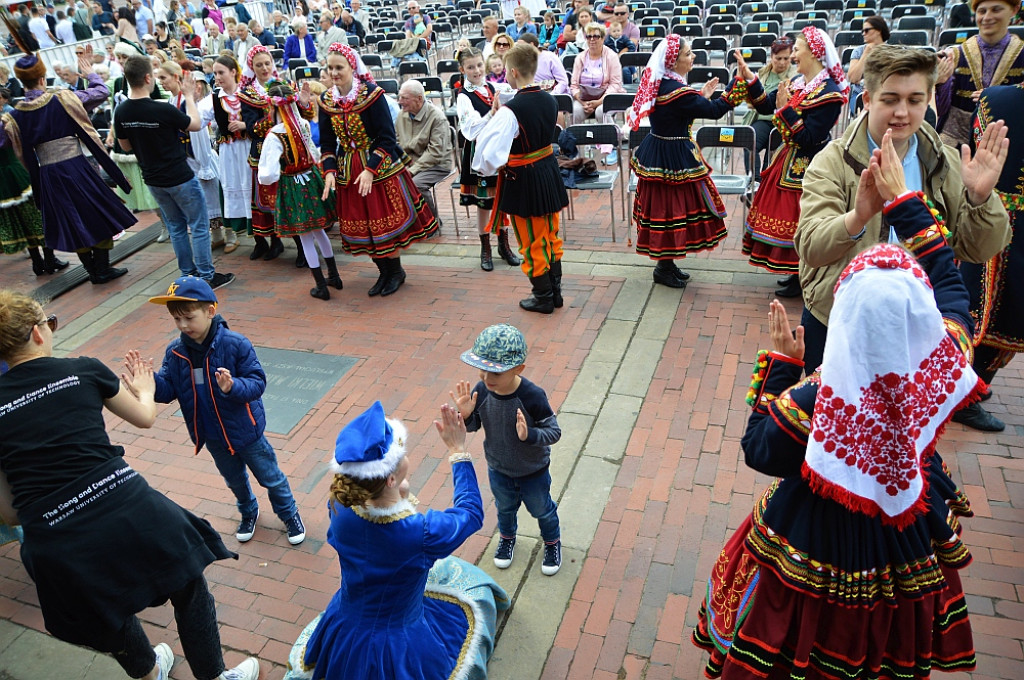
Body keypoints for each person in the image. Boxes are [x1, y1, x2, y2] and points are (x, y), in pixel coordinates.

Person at [692, 133, 982, 679]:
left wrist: (780, 366)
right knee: (888, 638)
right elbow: (951, 287)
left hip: (815, 537)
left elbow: (761, 449)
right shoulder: (939, 362)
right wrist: (906, 204)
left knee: (804, 634)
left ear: (842, 319)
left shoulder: (818, 397)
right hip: (904, 527)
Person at [0, 290, 260, 680]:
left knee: (101, 607)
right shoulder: (84, 369)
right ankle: (214, 675)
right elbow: (144, 416)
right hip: (127, 508)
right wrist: (146, 387)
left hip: (55, 537)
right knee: (188, 585)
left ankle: (149, 671)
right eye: (49, 323)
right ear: (38, 333)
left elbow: (10, 511)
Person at [796, 45, 1011, 380]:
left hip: (915, 322)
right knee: (833, 422)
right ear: (867, 100)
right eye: (890, 99)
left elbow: (977, 249)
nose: (902, 112)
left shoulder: (944, 162)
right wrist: (858, 218)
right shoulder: (833, 161)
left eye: (914, 100)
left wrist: (981, 199)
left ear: (928, 100)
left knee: (900, 425)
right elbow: (810, 246)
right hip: (838, 318)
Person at [282, 401, 508, 680]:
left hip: (345, 623)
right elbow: (471, 513)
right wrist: (457, 451)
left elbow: (376, 526)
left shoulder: (340, 504)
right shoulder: (418, 534)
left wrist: (398, 494)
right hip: (395, 643)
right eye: (401, 453)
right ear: (389, 479)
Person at [136, 275, 306, 546]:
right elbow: (169, 390)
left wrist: (232, 386)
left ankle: (289, 514)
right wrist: (147, 383)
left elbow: (257, 382)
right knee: (234, 480)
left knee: (271, 478)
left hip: (246, 432)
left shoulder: (235, 344)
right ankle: (249, 511)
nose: (182, 325)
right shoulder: (175, 352)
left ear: (210, 311)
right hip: (212, 435)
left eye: (189, 317)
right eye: (176, 319)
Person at [627, 35, 751, 289]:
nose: (693, 57)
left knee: (667, 209)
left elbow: (680, 112)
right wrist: (738, 84)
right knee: (670, 210)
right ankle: (663, 268)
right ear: (673, 61)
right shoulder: (677, 91)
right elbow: (715, 111)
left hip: (661, 149)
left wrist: (699, 97)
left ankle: (667, 264)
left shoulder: (664, 82)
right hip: (672, 156)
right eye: (688, 54)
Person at [319, 44, 439, 297]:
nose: (334, 72)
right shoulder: (327, 100)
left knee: (382, 222)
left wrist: (370, 170)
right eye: (330, 68)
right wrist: (329, 171)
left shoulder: (372, 95)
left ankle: (395, 272)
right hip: (349, 170)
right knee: (364, 224)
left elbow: (386, 137)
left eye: (339, 67)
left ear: (352, 67)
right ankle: (383, 272)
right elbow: (328, 144)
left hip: (378, 168)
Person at [7, 51, 136, 284]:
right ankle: (102, 269)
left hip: (48, 174)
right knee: (98, 212)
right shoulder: (62, 99)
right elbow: (101, 92)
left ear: (21, 83)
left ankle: (93, 271)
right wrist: (91, 74)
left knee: (71, 220)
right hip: (77, 167)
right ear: (42, 79)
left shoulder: (15, 116)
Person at [738, 27, 848, 298]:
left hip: (810, 166)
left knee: (802, 219)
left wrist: (786, 109)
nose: (794, 55)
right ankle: (795, 273)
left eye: (798, 50)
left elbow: (810, 137)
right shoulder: (801, 83)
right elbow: (767, 108)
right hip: (789, 160)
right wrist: (751, 79)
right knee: (790, 218)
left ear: (814, 53)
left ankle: (803, 274)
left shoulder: (829, 93)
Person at [453, 323, 563, 574]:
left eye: (495, 373)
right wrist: (468, 416)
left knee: (542, 509)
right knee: (504, 508)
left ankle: (552, 541)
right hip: (499, 468)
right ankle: (507, 537)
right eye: (482, 370)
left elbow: (554, 431)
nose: (486, 378)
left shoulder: (533, 395)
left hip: (533, 470)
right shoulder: (482, 390)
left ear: (518, 369)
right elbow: (474, 427)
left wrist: (530, 434)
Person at [116, 55, 232, 289]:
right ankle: (207, 275)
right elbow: (196, 124)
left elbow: (125, 146)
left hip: (153, 178)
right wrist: (189, 96)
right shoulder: (161, 109)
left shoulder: (122, 111)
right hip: (179, 176)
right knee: (198, 225)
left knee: (176, 227)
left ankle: (187, 273)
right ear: (148, 78)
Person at [473, 44, 570, 313]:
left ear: (513, 72)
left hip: (525, 179)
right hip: (548, 172)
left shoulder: (511, 110)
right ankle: (555, 291)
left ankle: (543, 296)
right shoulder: (551, 99)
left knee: (530, 239)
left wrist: (489, 168)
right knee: (550, 235)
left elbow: (489, 155)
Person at [956, 83, 1023, 432]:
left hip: (991, 219)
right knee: (987, 319)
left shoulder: (996, 98)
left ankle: (972, 387)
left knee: (999, 321)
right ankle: (964, 396)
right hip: (995, 225)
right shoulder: (998, 100)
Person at [257, 81, 339, 300]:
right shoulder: (302, 124)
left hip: (292, 185)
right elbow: (313, 153)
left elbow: (267, 174)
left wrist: (278, 174)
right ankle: (334, 275)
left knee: (304, 237)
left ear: (272, 107)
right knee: (320, 231)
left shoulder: (275, 134)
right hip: (311, 180)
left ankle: (321, 285)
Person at [240, 45, 314, 265]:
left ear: (272, 64)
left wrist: (303, 102)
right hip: (264, 153)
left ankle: (302, 247)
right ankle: (274, 242)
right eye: (258, 64)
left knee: (290, 200)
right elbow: (252, 129)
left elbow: (305, 115)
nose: (264, 68)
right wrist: (271, 115)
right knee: (266, 202)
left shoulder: (287, 85)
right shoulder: (248, 94)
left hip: (289, 154)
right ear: (251, 67)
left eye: (267, 63)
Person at [455, 47, 521, 271]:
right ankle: (485, 247)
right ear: (462, 69)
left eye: (479, 65)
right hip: (480, 153)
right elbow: (470, 129)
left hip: (499, 149)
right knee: (484, 203)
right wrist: (493, 114)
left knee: (502, 197)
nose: (476, 70)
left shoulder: (493, 87)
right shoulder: (464, 97)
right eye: (471, 67)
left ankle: (504, 244)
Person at [158, 64, 228, 252]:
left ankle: (230, 235)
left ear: (175, 77)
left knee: (215, 196)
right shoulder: (173, 101)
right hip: (187, 158)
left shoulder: (187, 103)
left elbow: (199, 134)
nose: (161, 83)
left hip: (199, 157)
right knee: (204, 200)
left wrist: (204, 164)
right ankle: (217, 237)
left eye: (163, 78)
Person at [936, 0, 1024, 147]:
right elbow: (941, 110)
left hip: (1008, 140)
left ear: (1014, 10)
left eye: (996, 10)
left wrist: (995, 96)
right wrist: (940, 81)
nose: (987, 17)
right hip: (956, 142)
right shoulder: (955, 55)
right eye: (982, 11)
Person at [0, 110, 64, 276]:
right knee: (37, 214)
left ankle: (38, 262)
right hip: (17, 173)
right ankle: (49, 259)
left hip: (3, 182)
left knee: (22, 219)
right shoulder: (6, 122)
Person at [107, 41, 162, 215]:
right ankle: (161, 224)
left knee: (152, 185)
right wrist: (111, 132)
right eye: (119, 57)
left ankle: (166, 221)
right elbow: (115, 111)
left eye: (125, 57)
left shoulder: (147, 80)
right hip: (125, 135)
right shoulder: (117, 83)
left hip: (143, 134)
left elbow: (156, 106)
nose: (122, 60)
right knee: (135, 184)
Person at [396, 80, 452, 222]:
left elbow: (435, 153)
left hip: (437, 164)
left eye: (405, 98)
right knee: (385, 179)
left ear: (419, 98)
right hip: (411, 161)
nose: (400, 101)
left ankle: (431, 221)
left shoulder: (437, 117)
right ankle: (405, 222)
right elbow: (396, 143)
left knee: (416, 184)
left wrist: (412, 169)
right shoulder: (402, 115)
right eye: (399, 97)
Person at [570, 22, 625, 165]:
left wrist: (599, 101)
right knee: (575, 111)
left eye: (596, 36)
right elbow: (574, 85)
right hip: (585, 98)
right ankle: (579, 150)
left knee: (602, 112)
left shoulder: (611, 57)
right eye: (589, 36)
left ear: (602, 38)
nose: (592, 39)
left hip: (607, 97)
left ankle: (610, 147)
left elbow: (615, 84)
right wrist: (582, 101)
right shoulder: (580, 58)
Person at [742, 38, 795, 183]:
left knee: (773, 155)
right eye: (778, 58)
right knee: (749, 142)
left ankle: (767, 183)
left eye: (786, 58)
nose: (782, 62)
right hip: (763, 120)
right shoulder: (762, 74)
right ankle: (755, 183)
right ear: (771, 57)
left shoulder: (796, 76)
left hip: (783, 122)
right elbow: (752, 101)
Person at [846, 15, 889, 113]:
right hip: (860, 94)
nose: (863, 34)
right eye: (862, 31)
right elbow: (853, 78)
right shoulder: (858, 51)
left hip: (885, 93)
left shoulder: (891, 52)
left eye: (867, 30)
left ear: (878, 30)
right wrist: (866, 53)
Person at [604, 20, 636, 85]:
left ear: (621, 31)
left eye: (618, 31)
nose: (616, 33)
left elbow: (632, 46)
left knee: (625, 70)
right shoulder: (607, 40)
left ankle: (629, 84)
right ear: (610, 32)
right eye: (614, 31)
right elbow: (604, 49)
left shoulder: (624, 39)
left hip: (624, 59)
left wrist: (625, 53)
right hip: (612, 60)